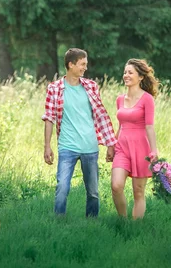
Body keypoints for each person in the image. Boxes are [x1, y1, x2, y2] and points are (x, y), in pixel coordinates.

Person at [42, 48, 117, 217]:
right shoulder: (55, 89)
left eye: (86, 64)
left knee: (93, 191)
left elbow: (101, 117)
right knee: (62, 187)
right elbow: (49, 118)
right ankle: (58, 221)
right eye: (82, 64)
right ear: (71, 64)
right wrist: (47, 146)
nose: (85, 68)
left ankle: (91, 222)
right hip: (67, 146)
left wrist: (110, 144)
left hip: (89, 147)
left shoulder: (91, 87)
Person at [111, 58, 159, 219]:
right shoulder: (119, 99)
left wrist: (154, 151)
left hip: (140, 149)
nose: (126, 75)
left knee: (138, 192)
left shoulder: (147, 99)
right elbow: (120, 126)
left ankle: (135, 228)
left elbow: (149, 127)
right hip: (122, 148)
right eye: (125, 72)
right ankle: (123, 221)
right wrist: (112, 146)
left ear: (140, 77)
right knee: (116, 186)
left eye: (130, 72)